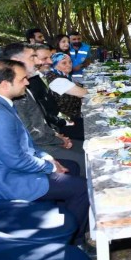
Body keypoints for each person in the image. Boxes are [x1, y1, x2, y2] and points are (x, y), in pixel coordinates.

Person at [0, 59, 90, 246]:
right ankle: (75, 241)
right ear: (5, 84)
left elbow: (25, 143)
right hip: (8, 180)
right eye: (23, 79)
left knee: (71, 166)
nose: (27, 82)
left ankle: (65, 221)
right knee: (82, 186)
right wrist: (49, 166)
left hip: (11, 169)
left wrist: (48, 157)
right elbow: (16, 160)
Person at [14, 44, 86, 174]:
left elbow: (42, 116)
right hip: (42, 146)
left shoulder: (35, 80)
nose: (50, 61)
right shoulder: (21, 90)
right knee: (86, 159)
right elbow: (32, 131)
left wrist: (56, 134)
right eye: (35, 58)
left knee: (88, 148)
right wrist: (58, 137)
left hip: (52, 131)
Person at [45, 52, 88, 140]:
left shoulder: (63, 75)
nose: (68, 65)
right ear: (54, 64)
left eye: (70, 62)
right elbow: (83, 93)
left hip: (73, 117)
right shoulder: (57, 80)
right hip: (67, 123)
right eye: (64, 63)